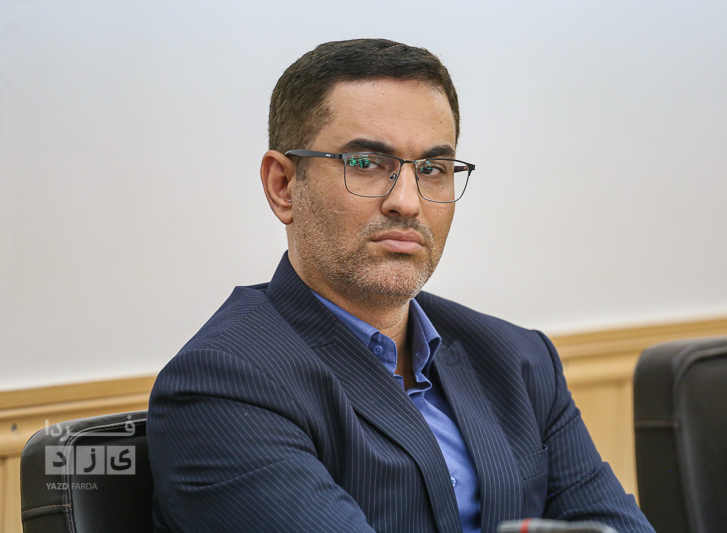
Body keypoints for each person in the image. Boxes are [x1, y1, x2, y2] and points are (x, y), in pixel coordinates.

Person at [147, 38, 655, 533]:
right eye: (367, 164)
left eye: (432, 169)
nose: (407, 202)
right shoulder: (223, 383)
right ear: (283, 186)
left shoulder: (517, 358)